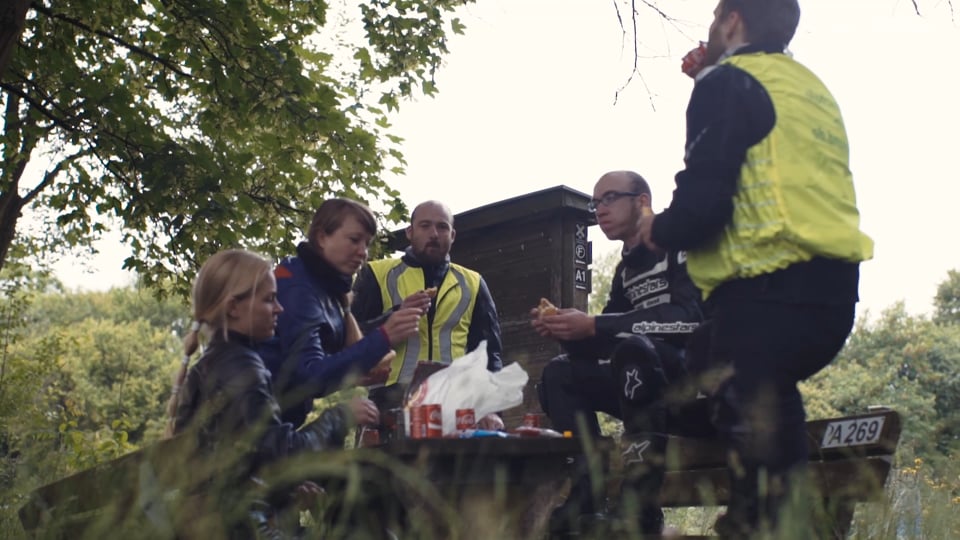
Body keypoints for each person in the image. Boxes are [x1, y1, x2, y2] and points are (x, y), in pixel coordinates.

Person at [638, 1, 874, 536]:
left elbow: (705, 206)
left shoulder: (727, 84)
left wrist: (662, 229)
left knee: (751, 405)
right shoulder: (806, 86)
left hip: (767, 289)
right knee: (709, 361)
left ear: (731, 21)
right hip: (831, 296)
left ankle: (767, 525)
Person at [533, 170, 705, 535]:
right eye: (595, 203)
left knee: (634, 349)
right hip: (644, 387)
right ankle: (588, 494)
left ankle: (641, 509)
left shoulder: (680, 247)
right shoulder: (625, 270)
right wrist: (567, 332)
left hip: (700, 390)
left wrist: (595, 324)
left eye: (609, 198)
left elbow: (690, 319)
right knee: (559, 373)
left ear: (642, 201)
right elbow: (606, 338)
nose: (599, 209)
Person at [168, 249, 380, 537]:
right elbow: (285, 453)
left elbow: (245, 461)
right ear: (233, 308)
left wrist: (283, 493)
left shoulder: (215, 364)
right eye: (269, 299)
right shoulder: (240, 366)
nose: (279, 308)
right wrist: (340, 415)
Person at [258, 198, 423, 429]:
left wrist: (353, 374)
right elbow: (309, 375)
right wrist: (385, 336)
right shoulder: (298, 288)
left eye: (367, 243)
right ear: (322, 237)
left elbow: (316, 368)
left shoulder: (327, 287)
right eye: (354, 240)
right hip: (251, 429)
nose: (363, 252)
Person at [351, 200, 504, 429]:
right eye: (425, 226)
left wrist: (492, 409)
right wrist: (394, 317)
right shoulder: (376, 273)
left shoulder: (473, 283)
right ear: (410, 233)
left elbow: (489, 353)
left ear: (452, 235)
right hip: (390, 401)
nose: (434, 233)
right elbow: (349, 340)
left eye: (442, 227)